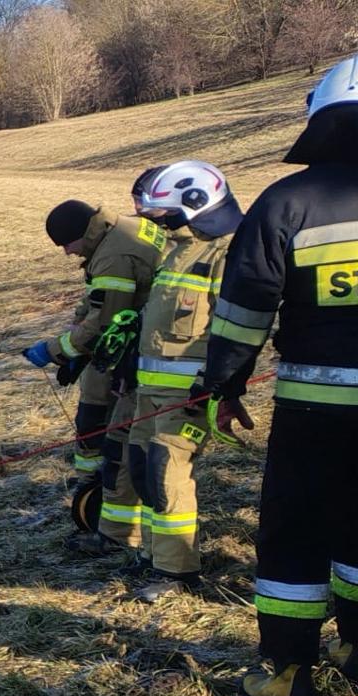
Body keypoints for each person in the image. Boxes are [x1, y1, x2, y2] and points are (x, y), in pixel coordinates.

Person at [197, 55, 358, 696]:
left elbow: (242, 312)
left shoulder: (287, 202)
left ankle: (287, 670)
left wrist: (222, 386)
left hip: (314, 415)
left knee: (295, 533)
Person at [122, 160, 243, 602]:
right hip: (149, 391)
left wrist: (217, 383)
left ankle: (177, 573)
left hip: (188, 394)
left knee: (168, 474)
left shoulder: (227, 253)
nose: (160, 223)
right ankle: (153, 557)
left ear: (196, 204)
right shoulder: (178, 247)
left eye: (165, 215)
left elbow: (235, 328)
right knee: (142, 468)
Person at [25, 198, 169, 556]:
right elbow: (97, 300)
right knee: (102, 418)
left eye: (66, 245)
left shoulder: (115, 254)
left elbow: (105, 319)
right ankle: (96, 494)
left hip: (142, 350)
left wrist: (56, 351)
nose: (67, 254)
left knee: (107, 427)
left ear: (79, 234)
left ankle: (107, 514)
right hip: (135, 341)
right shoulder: (116, 233)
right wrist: (75, 334)